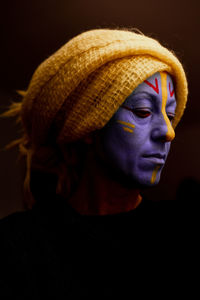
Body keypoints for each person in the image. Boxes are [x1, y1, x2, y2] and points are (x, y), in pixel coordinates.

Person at [0, 27, 189, 297]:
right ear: (87, 125)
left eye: (169, 115)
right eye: (144, 111)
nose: (169, 132)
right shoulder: (17, 246)